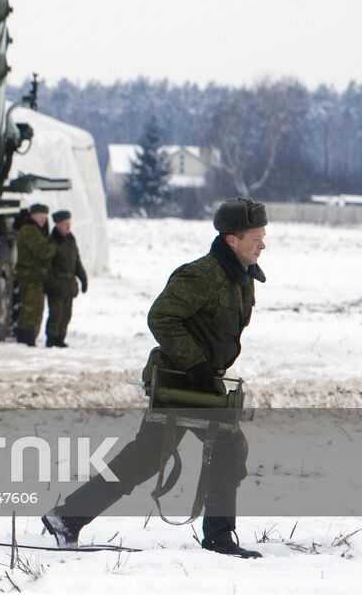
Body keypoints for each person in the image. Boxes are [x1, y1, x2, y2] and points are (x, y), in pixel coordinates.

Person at [41, 197, 269, 558]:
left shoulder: (240, 279)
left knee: (152, 456)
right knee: (225, 445)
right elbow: (161, 317)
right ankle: (219, 538)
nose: (262, 244)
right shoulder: (202, 274)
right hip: (179, 380)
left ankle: (68, 518)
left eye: (263, 236)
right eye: (254, 237)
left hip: (200, 382)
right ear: (231, 240)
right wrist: (194, 365)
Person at [43, 209, 88, 348]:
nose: (68, 227)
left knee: (66, 314)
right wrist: (51, 282)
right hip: (57, 283)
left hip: (69, 284)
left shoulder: (70, 239)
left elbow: (77, 261)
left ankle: (60, 338)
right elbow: (47, 265)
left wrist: (83, 278)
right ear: (58, 224)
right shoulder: (52, 241)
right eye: (64, 224)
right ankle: (51, 339)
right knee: (55, 314)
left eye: (69, 223)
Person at [13, 203, 54, 345]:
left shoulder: (37, 230)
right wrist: (53, 247)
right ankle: (25, 337)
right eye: (40, 216)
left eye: (45, 216)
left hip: (34, 275)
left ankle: (27, 336)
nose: (43, 219)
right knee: (31, 307)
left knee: (35, 307)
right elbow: (42, 251)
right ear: (32, 216)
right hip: (29, 274)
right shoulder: (30, 230)